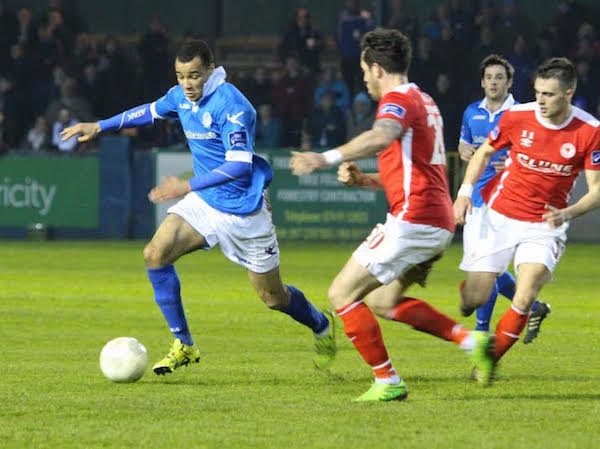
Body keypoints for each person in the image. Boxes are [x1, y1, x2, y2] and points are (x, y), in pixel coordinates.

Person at [61, 39, 335, 375]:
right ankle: (184, 344)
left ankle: (320, 323)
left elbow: (239, 166)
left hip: (244, 212)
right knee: (155, 254)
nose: (187, 84)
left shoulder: (233, 105)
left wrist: (184, 185)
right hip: (205, 204)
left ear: (210, 69)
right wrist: (99, 126)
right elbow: (148, 112)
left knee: (273, 298)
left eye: (194, 75)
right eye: (180, 76)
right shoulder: (180, 97)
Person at [291, 29, 494, 402]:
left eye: (366, 71)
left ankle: (388, 381)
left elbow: (383, 136)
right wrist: (364, 180)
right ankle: (472, 340)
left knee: (341, 293)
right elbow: (412, 171)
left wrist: (325, 158)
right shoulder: (426, 100)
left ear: (378, 68)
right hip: (437, 219)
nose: (364, 79)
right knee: (383, 302)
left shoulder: (397, 100)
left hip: (414, 220)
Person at [454, 57, 600, 382]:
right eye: (537, 93)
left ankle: (489, 361)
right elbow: (483, 152)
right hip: (500, 215)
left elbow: (597, 190)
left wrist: (569, 212)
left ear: (569, 93)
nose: (541, 101)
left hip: (545, 226)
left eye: (548, 94)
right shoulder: (518, 116)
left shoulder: (589, 131)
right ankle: (477, 301)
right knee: (472, 298)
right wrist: (465, 191)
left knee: (525, 293)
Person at [458, 54, 551, 343]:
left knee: (485, 266)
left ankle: (482, 334)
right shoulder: (472, 111)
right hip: (476, 198)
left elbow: (539, 151)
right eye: (489, 77)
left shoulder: (524, 113)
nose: (494, 82)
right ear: (482, 81)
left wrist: (511, 160)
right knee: (491, 269)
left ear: (509, 82)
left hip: (506, 200)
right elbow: (464, 145)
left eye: (499, 77)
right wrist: (465, 151)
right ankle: (535, 307)